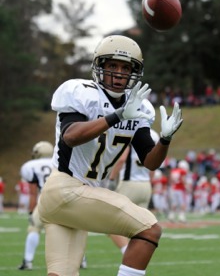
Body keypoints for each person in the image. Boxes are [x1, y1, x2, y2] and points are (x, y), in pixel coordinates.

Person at [38, 34, 183, 276]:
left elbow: (150, 161)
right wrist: (118, 116)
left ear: (134, 73)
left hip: (75, 198)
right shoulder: (81, 91)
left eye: (125, 68)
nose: (118, 73)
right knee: (150, 229)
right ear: (100, 68)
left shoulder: (139, 107)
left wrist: (165, 140)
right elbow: (71, 136)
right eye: (112, 66)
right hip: (67, 188)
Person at [107, 129, 159, 255]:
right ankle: (136, 261)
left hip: (129, 184)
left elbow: (121, 159)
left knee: (109, 223)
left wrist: (112, 178)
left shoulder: (132, 131)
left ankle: (129, 254)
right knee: (139, 228)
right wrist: (149, 182)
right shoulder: (154, 135)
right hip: (146, 186)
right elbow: (154, 163)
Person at [18, 141, 54, 270]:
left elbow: (33, 193)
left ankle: (27, 261)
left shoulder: (30, 166)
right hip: (64, 200)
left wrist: (31, 211)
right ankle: (82, 260)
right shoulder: (59, 160)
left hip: (45, 200)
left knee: (34, 228)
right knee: (70, 230)